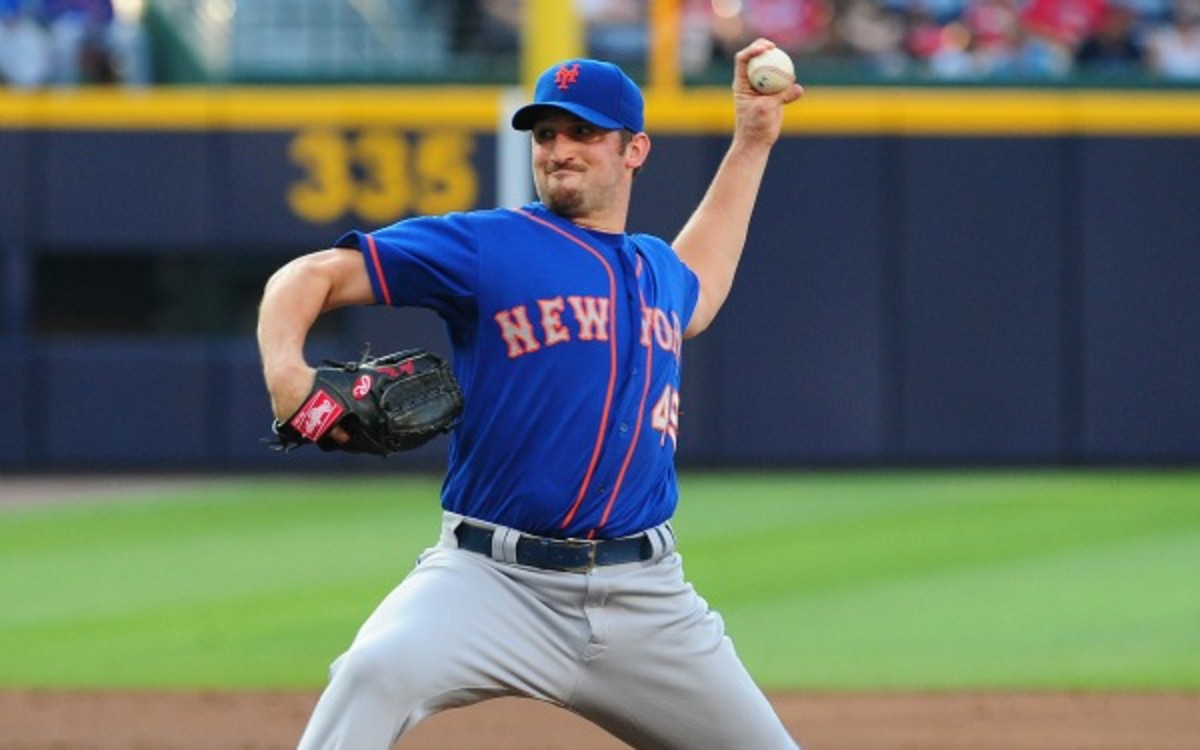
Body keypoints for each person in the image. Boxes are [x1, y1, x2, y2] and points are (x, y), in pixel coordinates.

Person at [257, 39, 804, 749]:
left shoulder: (656, 271)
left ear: (634, 150)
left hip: (645, 598)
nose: (560, 149)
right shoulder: (490, 244)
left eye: (584, 132)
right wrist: (287, 375)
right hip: (489, 581)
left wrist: (753, 140)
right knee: (372, 672)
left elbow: (702, 281)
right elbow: (311, 276)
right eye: (546, 134)